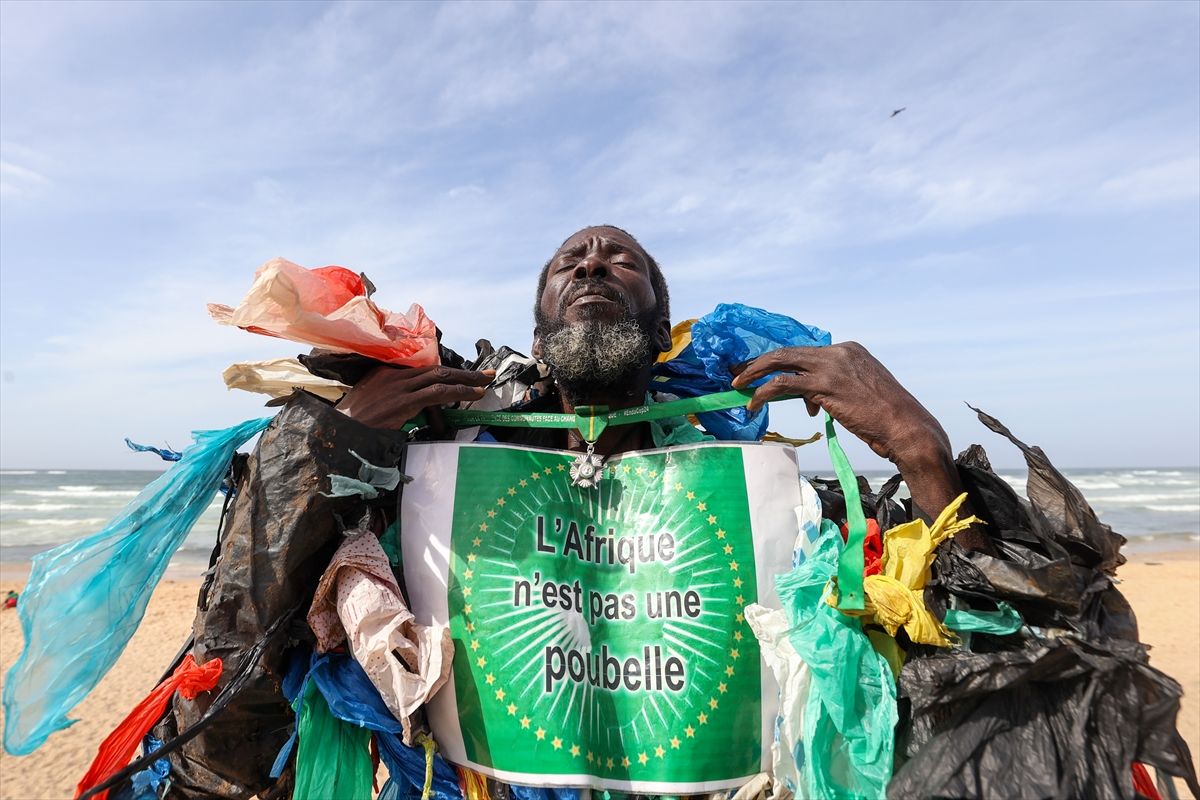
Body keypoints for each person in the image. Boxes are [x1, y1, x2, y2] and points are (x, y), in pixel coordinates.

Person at [338, 224, 989, 551]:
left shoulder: (752, 497)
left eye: (621, 262)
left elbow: (966, 634)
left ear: (660, 333)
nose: (591, 265)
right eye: (571, 264)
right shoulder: (431, 472)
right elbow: (286, 624)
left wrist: (915, 442)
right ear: (537, 343)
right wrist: (329, 441)